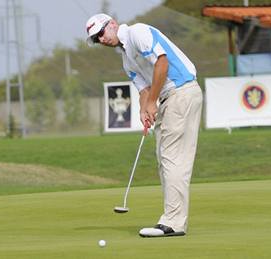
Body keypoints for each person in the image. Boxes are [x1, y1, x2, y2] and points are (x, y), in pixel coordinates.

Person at [85, 13, 203, 237]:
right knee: (168, 160)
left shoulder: (137, 32)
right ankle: (175, 219)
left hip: (181, 91)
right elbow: (143, 90)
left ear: (112, 24)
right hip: (173, 98)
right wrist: (144, 109)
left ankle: (173, 222)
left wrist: (151, 102)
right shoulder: (126, 58)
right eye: (95, 39)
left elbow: (162, 63)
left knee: (171, 158)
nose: (101, 39)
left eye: (101, 32)